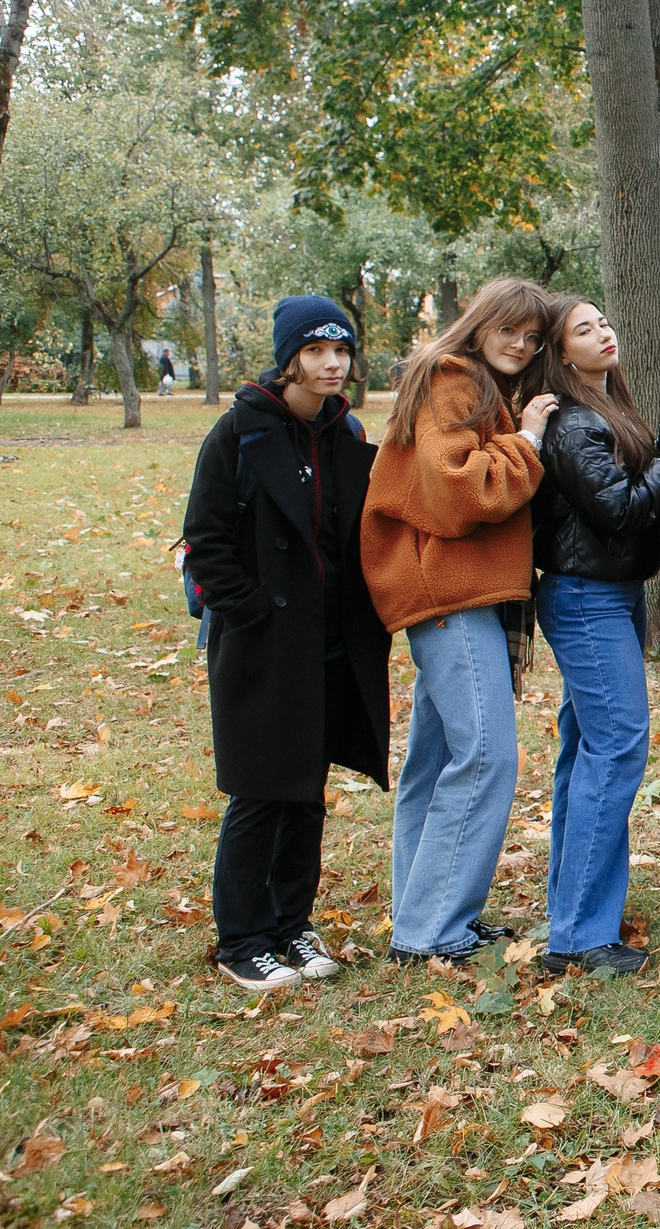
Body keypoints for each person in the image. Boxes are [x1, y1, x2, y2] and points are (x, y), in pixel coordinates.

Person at [184, 298, 390, 989]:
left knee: (306, 791)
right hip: (266, 642)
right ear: (291, 357)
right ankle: (242, 938)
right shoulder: (239, 432)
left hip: (331, 644)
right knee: (260, 791)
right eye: (317, 351)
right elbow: (205, 539)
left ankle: (290, 924)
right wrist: (250, 611)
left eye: (342, 350)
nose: (333, 363)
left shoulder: (345, 431)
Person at [526, 295, 660, 976]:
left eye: (605, 322)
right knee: (615, 748)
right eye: (584, 329)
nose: (604, 332)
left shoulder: (603, 413)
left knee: (587, 750)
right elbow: (623, 512)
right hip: (587, 596)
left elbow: (628, 480)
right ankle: (579, 935)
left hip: (611, 593)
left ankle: (572, 911)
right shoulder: (573, 423)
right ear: (559, 351)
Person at [362, 278, 555, 966]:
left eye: (532, 337)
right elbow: (458, 490)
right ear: (479, 323)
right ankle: (432, 928)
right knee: (485, 757)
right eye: (510, 329)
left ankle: (425, 914)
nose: (520, 344)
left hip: (453, 591)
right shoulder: (455, 381)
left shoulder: (465, 382)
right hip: (450, 592)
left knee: (437, 759)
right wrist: (527, 439)